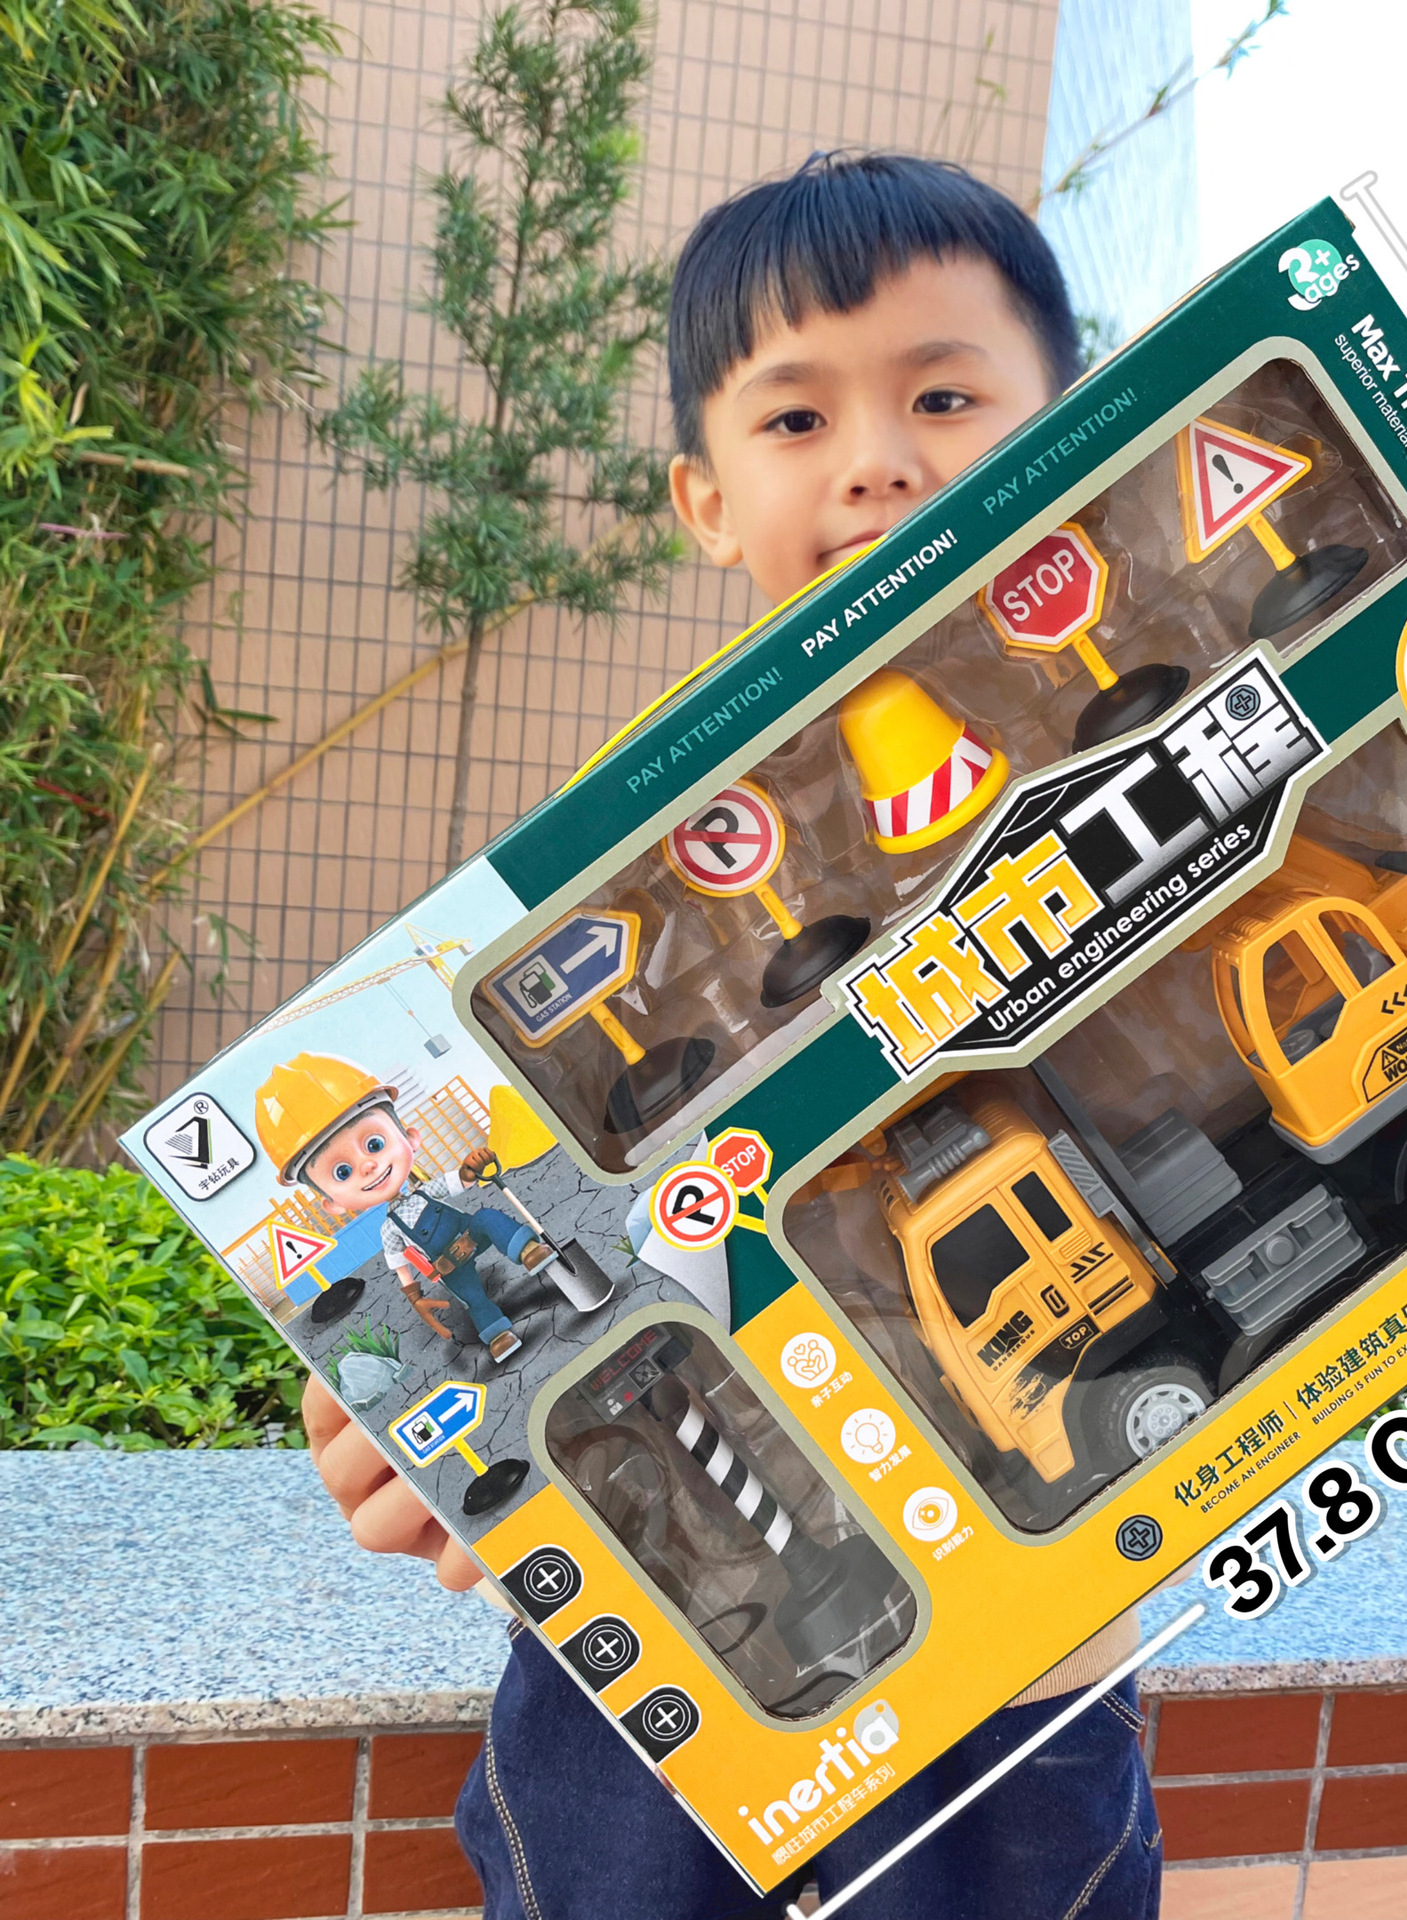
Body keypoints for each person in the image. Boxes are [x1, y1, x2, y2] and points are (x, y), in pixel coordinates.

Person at [305, 152, 1164, 1920]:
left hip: (1023, 1649)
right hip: (656, 1631)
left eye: (946, 396)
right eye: (797, 419)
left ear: (1073, 425)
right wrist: (406, 1397)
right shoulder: (613, 887)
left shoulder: (1164, 770)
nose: (879, 461)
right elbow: (485, 1201)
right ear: (705, 498)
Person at [259, 1050, 554, 1363]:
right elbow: (400, 1265)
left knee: (488, 1218)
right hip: (448, 1262)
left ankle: (527, 1250)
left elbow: (459, 1181)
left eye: (374, 1144)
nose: (368, 1166)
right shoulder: (389, 1230)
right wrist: (415, 1298)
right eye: (342, 1172)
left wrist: (471, 1168)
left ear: (410, 1137)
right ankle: (498, 1335)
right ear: (332, 1203)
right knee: (472, 1296)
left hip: (471, 1233)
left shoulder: (425, 1191)